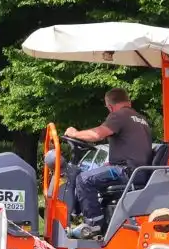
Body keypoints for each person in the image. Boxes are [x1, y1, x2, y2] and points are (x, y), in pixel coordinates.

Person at [64, 87, 153, 237]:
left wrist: (74, 133)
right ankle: (85, 217)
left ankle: (93, 225)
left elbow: (97, 135)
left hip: (126, 172)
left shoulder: (119, 115)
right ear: (128, 101)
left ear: (110, 106)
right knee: (87, 174)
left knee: (83, 179)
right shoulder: (141, 119)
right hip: (135, 170)